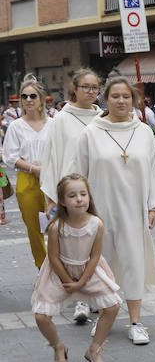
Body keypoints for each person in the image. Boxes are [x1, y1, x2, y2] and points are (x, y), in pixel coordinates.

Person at [70, 76, 155, 345]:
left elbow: (152, 170)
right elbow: (79, 173)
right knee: (102, 264)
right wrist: (79, 210)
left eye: (126, 96)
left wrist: (154, 207)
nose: (121, 101)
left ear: (133, 100)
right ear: (105, 99)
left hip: (134, 211)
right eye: (115, 96)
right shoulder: (91, 132)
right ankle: (104, 316)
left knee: (134, 263)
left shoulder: (144, 132)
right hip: (100, 210)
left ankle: (135, 321)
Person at [32, 174, 121, 362]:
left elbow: (96, 255)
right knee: (41, 316)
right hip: (59, 273)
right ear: (62, 201)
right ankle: (58, 347)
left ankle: (94, 349)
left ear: (89, 197)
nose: (79, 199)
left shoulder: (96, 223)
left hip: (88, 271)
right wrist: (68, 280)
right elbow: (53, 257)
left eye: (83, 194)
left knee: (113, 306)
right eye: (72, 196)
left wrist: (81, 282)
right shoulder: (57, 227)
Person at [39, 67, 103, 325]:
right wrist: (53, 198)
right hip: (72, 191)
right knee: (77, 247)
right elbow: (52, 157)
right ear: (74, 89)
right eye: (86, 87)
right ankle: (81, 300)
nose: (91, 92)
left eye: (95, 87)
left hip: (99, 187)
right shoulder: (61, 120)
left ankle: (99, 293)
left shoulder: (103, 116)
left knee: (98, 245)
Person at [3, 75, 54, 268]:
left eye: (33, 96)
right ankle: (43, 269)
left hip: (53, 179)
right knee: (34, 228)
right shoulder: (16, 126)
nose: (28, 100)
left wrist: (47, 169)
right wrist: (34, 168)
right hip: (28, 180)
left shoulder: (54, 124)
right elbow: (10, 156)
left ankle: (61, 269)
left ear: (41, 98)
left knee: (57, 226)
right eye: (24, 97)